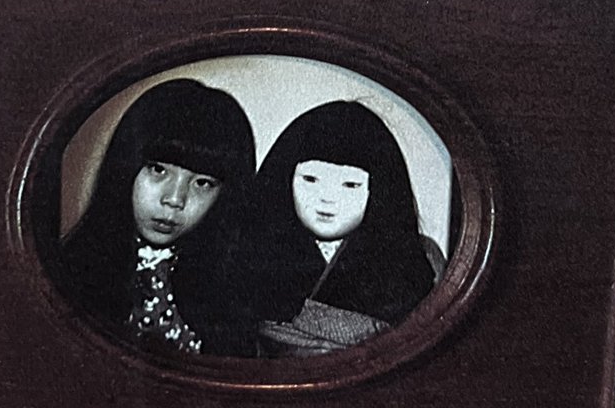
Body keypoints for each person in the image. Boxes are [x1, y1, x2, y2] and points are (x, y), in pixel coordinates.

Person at [53, 78, 257, 357]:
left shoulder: (231, 293)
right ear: (125, 167)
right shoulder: (67, 273)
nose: (175, 199)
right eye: (158, 170)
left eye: (202, 183)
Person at [243, 100, 440, 356]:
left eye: (350, 185)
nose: (327, 198)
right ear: (285, 178)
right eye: (311, 179)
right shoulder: (252, 250)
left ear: (379, 190)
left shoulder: (420, 257)